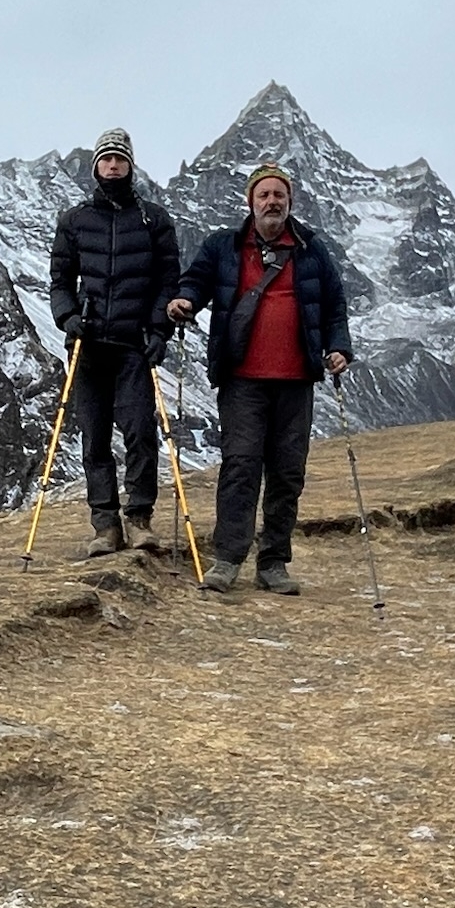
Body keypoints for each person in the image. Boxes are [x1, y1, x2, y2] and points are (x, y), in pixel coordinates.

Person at [166, 162, 353, 595]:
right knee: (241, 466)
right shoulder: (224, 246)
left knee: (287, 473)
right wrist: (185, 300)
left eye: (279, 195)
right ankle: (227, 560)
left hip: (296, 380)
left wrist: (339, 347)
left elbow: (334, 304)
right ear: (250, 201)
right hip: (242, 379)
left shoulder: (312, 250)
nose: (272, 202)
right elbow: (196, 281)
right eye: (264, 195)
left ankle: (273, 563)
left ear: (290, 201)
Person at [49, 128, 181, 557]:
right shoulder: (74, 221)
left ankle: (139, 519)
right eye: (106, 159)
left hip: (132, 345)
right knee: (95, 438)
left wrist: (159, 331)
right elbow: (60, 281)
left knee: (140, 432)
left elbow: (167, 282)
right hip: (88, 345)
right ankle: (105, 525)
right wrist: (68, 317)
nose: (112, 165)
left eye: (119, 159)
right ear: (96, 167)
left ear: (130, 165)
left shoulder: (153, 220)